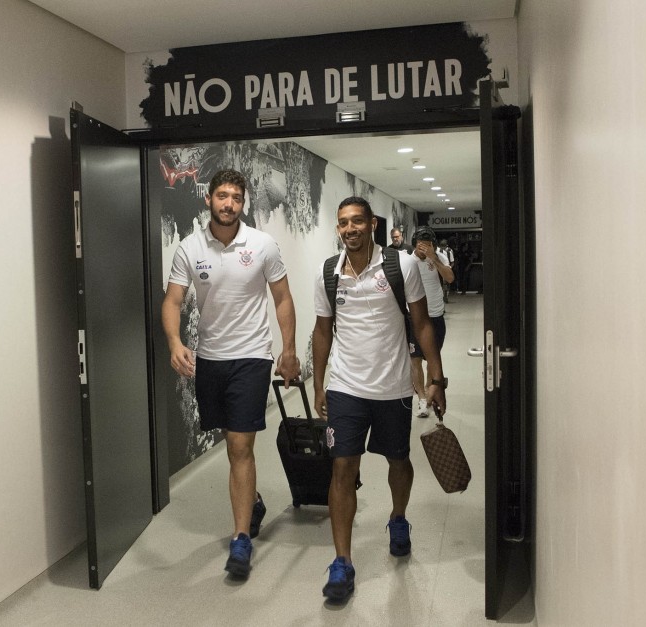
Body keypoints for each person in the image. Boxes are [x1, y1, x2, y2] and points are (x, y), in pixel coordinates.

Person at [162, 169, 300, 580]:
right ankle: (252, 500)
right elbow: (172, 301)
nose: (229, 204)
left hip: (251, 357)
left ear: (244, 203)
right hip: (211, 359)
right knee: (231, 442)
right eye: (222, 196)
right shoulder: (189, 248)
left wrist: (288, 349)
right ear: (209, 199)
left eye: (236, 198)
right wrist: (174, 343)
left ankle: (240, 539)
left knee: (240, 446)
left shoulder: (262, 245)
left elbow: (283, 298)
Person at [312, 197, 447, 602]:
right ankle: (342, 561)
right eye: (342, 223)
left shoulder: (400, 265)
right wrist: (320, 384)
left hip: (393, 386)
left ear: (371, 224)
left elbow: (421, 324)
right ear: (338, 229)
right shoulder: (328, 273)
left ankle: (399, 517)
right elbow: (322, 332)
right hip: (346, 386)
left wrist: (436, 379)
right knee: (341, 468)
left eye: (356, 221)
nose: (350, 228)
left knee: (398, 460)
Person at [409, 227, 454, 417]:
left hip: (435, 316)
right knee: (415, 359)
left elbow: (450, 278)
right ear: (415, 244)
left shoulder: (438, 258)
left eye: (428, 245)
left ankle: (430, 392)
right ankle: (421, 399)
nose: (424, 249)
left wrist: (433, 258)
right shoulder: (407, 261)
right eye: (421, 245)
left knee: (432, 359)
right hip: (413, 317)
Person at [436, 238, 455, 303]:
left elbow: (452, 262)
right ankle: (442, 297)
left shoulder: (449, 251)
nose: (443, 248)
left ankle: (445, 296)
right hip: (439, 269)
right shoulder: (437, 251)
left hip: (446, 269)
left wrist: (449, 268)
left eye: (444, 246)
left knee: (446, 284)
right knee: (442, 284)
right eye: (441, 246)